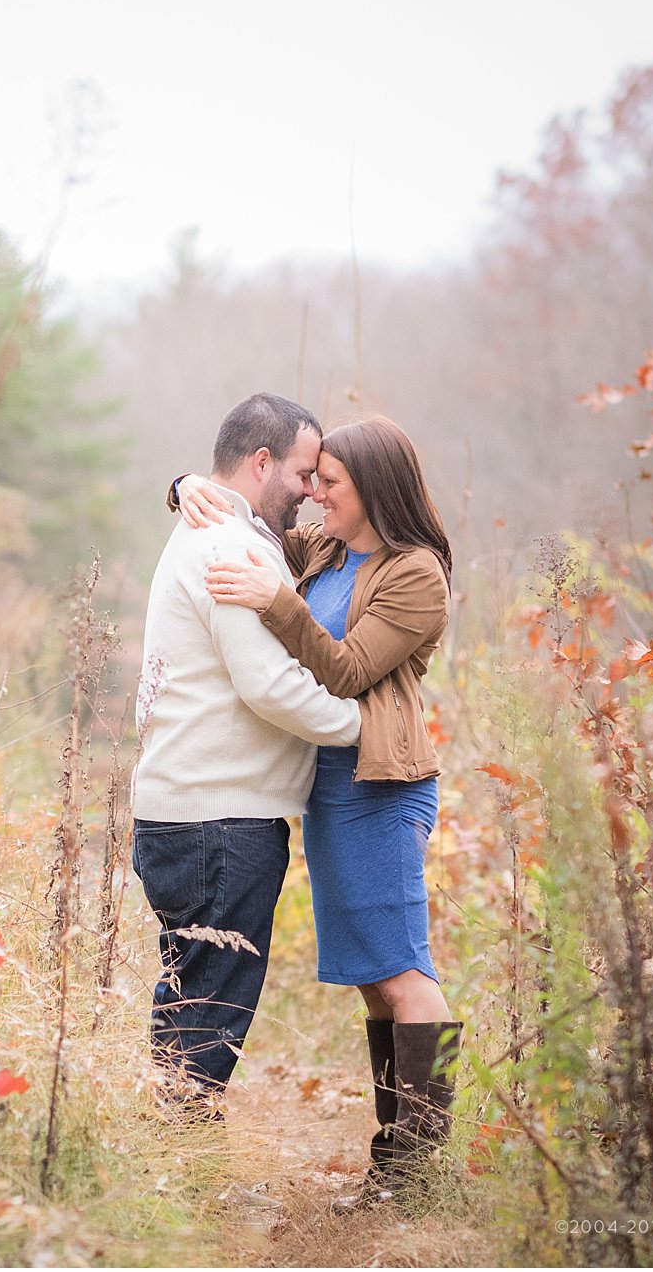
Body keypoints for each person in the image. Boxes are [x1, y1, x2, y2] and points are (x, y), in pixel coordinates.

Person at [173, 413, 461, 1201]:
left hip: (382, 788)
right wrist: (187, 488)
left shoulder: (414, 574)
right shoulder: (328, 549)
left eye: (329, 483)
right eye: (314, 479)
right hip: (329, 790)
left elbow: (345, 670)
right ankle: (396, 1162)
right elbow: (257, 523)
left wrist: (276, 602)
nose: (313, 496)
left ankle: (414, 1171)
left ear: (373, 489)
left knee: (404, 972)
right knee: (375, 977)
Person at [129, 393, 362, 1115]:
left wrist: (180, 484)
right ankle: (179, 1175)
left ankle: (168, 1167)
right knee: (208, 1018)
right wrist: (359, 726)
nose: (309, 490)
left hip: (187, 813)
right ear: (261, 463)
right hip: (219, 823)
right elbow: (268, 684)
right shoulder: (228, 545)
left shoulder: (209, 532)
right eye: (300, 472)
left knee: (189, 1001)